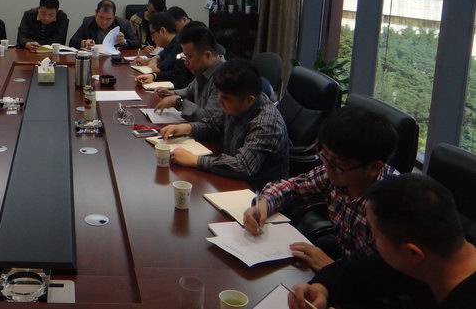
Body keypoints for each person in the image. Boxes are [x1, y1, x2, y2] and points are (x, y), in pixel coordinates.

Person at [242, 107, 399, 270]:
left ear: (374, 167)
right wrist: (263, 204)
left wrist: (332, 268)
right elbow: (292, 187)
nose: (328, 168)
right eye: (325, 157)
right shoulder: (336, 172)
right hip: (345, 264)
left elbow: (392, 276)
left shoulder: (393, 207)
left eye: (338, 164)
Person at [289, 173, 476, 309]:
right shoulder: (433, 250)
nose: (374, 243)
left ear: (412, 252)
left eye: (376, 237)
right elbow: (362, 271)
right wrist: (322, 287)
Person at [159, 58, 289, 188]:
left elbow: (243, 166)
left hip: (258, 191)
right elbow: (213, 125)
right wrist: (186, 128)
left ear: (249, 100)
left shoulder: (266, 123)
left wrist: (195, 160)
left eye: (225, 98)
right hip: (231, 179)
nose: (219, 101)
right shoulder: (236, 104)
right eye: (219, 95)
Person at [147, 25, 224, 121]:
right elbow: (190, 90)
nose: (186, 62)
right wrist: (171, 93)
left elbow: (209, 119)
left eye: (189, 57)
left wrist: (178, 102)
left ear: (207, 55)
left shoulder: (223, 78)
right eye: (185, 56)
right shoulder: (204, 68)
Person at [68, 0, 139, 50]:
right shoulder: (88, 22)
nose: (104, 22)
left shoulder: (123, 24)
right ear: (96, 13)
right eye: (101, 17)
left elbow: (137, 43)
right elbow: (72, 41)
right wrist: (84, 42)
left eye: (109, 19)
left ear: (114, 16)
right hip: (94, 59)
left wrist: (124, 42)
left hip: (114, 61)